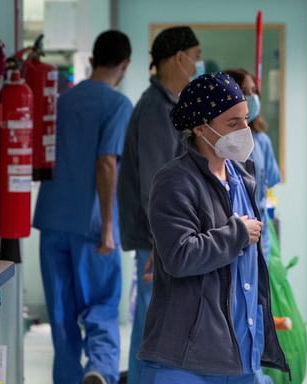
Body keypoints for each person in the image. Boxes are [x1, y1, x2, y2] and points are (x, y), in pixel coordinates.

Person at [139, 72, 288, 383]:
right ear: (200, 128)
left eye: (245, 119)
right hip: (188, 359)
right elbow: (180, 256)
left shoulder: (241, 176)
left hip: (240, 354)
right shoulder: (175, 181)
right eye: (232, 124)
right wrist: (236, 234)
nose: (244, 131)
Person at [32, 30, 133, 384]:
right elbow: (107, 162)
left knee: (61, 315)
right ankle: (100, 371)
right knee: (101, 305)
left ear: (92, 60)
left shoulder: (62, 101)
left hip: (52, 219)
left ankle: (68, 378)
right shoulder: (118, 105)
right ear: (125, 65)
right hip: (92, 225)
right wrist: (108, 227)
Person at [117, 25, 202, 384]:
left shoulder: (171, 106)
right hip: (158, 242)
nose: (197, 67)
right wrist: (162, 242)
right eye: (195, 59)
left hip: (163, 238)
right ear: (180, 57)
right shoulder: (155, 110)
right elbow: (154, 186)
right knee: (154, 321)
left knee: (156, 319)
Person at [224, 69, 280, 256]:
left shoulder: (262, 141)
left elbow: (269, 181)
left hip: (260, 236)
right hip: (231, 236)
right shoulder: (221, 144)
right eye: (244, 91)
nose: (252, 96)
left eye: (254, 91)